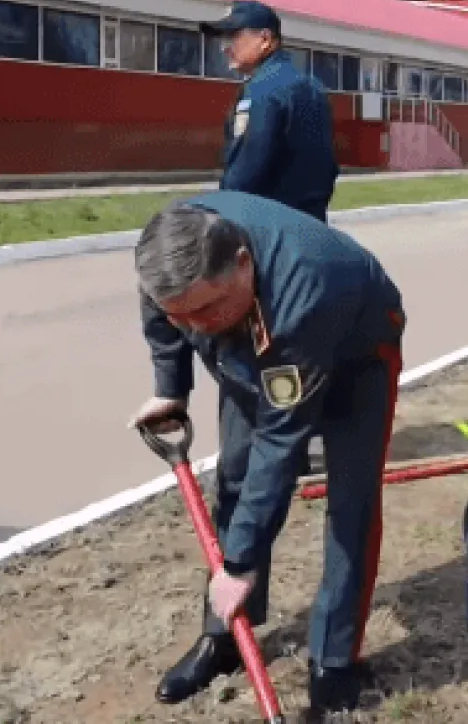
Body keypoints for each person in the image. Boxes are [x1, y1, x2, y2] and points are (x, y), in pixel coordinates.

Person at [130, 190, 405, 720]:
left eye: (208, 308)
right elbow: (166, 316)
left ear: (242, 262)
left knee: (351, 504)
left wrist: (239, 564)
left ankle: (335, 662)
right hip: (257, 338)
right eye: (184, 315)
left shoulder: (306, 292)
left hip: (358, 355)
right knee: (234, 479)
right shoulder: (168, 255)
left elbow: (281, 444)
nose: (198, 325)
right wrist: (171, 387)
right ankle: (227, 637)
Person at [204, 0, 340, 221]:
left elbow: (246, 172)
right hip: (312, 223)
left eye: (233, 36)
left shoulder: (262, 90)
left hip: (269, 227)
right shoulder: (312, 86)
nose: (225, 48)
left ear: (264, 39)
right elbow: (327, 165)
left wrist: (225, 214)